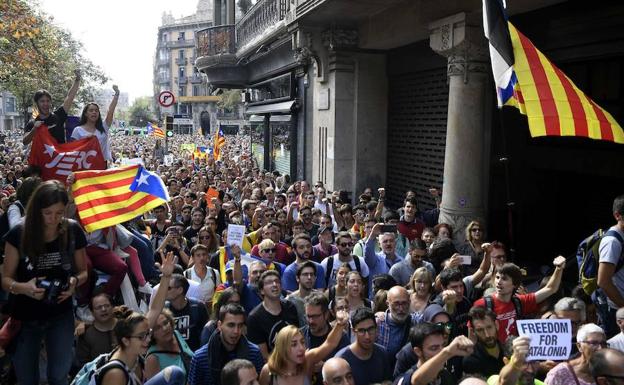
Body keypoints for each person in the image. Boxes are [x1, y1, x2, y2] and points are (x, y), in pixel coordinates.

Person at [1, 180, 88, 385]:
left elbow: (84, 271)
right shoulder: (18, 234)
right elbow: (6, 279)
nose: (53, 219)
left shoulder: (72, 230)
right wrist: (24, 288)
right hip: (25, 316)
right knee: (27, 378)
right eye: (47, 213)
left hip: (60, 313)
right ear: (36, 209)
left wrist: (74, 281)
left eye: (59, 213)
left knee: (58, 376)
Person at [95, 252, 186, 385]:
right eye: (142, 337)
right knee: (174, 373)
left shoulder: (134, 347)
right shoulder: (115, 373)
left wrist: (166, 276)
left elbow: (155, 309)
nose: (148, 339)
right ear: (125, 340)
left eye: (147, 334)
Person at [473, 256, 567, 344]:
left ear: (515, 284)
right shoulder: (482, 304)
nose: (499, 282)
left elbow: (551, 289)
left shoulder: (520, 302)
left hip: (512, 354)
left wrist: (559, 269)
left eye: (504, 279)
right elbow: (472, 334)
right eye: (497, 277)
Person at [258, 310, 349, 385]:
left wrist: (340, 324)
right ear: (282, 347)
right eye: (294, 344)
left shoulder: (308, 360)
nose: (301, 348)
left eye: (302, 342)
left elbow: (330, 343)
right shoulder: (268, 371)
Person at [190, 303, 264, 385]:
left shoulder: (254, 353)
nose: (236, 331)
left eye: (240, 325)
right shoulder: (200, 358)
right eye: (231, 325)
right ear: (219, 325)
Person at [395, 323, 474, 385]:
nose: (441, 351)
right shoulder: (405, 379)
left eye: (443, 345)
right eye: (434, 348)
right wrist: (447, 352)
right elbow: (417, 381)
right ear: (418, 351)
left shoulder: (447, 377)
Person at [247, 270, 301, 359]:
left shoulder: (290, 307)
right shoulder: (254, 317)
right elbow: (263, 356)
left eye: (277, 281)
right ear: (262, 291)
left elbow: (298, 337)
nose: (275, 285)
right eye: (269, 283)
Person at [301, 293, 351, 385]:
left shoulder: (341, 337)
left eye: (315, 316)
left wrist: (325, 366)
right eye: (308, 316)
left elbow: (348, 368)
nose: (311, 321)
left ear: (326, 314)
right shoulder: (299, 337)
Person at [335, 307, 392, 385]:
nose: (367, 336)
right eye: (361, 331)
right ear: (353, 331)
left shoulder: (382, 353)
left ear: (376, 328)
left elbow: (388, 381)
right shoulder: (342, 359)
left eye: (371, 329)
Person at [23, 69, 81, 145]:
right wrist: (34, 129)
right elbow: (25, 142)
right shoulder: (32, 123)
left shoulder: (59, 115)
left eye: (47, 101)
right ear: (37, 103)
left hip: (59, 156)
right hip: (43, 157)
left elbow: (69, 97)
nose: (45, 104)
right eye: (42, 101)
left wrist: (77, 80)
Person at [597, 195, 624, 337]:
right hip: (615, 312)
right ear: (617, 215)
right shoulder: (612, 241)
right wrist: (623, 306)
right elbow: (603, 281)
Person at [70, 84, 119, 163]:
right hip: (84, 166)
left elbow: (110, 111)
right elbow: (73, 150)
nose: (94, 112)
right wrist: (86, 140)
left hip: (102, 166)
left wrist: (116, 94)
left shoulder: (104, 127)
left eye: (96, 111)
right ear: (85, 113)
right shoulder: (77, 130)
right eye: (91, 110)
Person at [145, 308, 194, 380]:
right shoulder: (152, 359)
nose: (164, 328)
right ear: (151, 334)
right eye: (158, 328)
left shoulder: (176, 334)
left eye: (165, 323)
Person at [164, 273, 209, 351]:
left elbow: (206, 334)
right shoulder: (164, 310)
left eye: (169, 288)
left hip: (195, 356)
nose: (164, 290)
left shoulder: (198, 307)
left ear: (180, 290)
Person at [374, 286, 412, 367]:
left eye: (404, 303)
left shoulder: (415, 322)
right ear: (388, 304)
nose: (401, 309)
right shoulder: (378, 324)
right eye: (396, 304)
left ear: (409, 302)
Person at [76, 293, 118, 368]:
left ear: (113, 307)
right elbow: (83, 364)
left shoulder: (125, 326)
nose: (103, 309)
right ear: (92, 312)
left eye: (107, 306)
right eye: (98, 308)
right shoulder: (87, 334)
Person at [463, 307, 505, 378]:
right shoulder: (471, 361)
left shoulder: (509, 350)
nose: (487, 335)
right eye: (480, 330)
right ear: (473, 332)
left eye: (489, 327)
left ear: (496, 325)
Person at [365, 223, 404, 296]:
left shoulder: (402, 261)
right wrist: (372, 235)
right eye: (385, 241)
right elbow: (368, 252)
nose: (388, 244)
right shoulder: (375, 259)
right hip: (377, 301)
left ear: (395, 243)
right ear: (379, 244)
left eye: (391, 241)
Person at [184, 244, 221, 308]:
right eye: (198, 255)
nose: (202, 258)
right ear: (193, 258)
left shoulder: (215, 273)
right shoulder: (186, 274)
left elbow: (218, 294)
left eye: (204, 254)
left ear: (207, 256)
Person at [287, 261, 320, 326]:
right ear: (297, 278)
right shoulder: (289, 301)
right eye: (305, 274)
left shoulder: (320, 297)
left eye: (312, 274)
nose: (309, 277)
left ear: (315, 278)